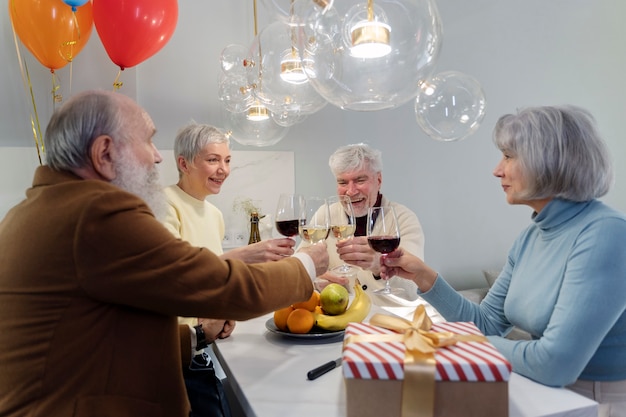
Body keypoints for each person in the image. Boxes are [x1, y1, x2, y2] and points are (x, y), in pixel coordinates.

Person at [0, 90, 328, 417]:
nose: (158, 157)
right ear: (104, 153)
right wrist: (306, 264)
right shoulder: (96, 211)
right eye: (148, 141)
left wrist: (195, 337)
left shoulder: (30, 211)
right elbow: (219, 286)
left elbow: (99, 339)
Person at [380, 105, 626, 416]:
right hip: (541, 391)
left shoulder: (607, 234)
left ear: (546, 160)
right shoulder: (530, 237)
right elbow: (486, 324)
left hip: (596, 404)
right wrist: (424, 277)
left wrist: (456, 340)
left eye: (509, 156)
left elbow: (555, 364)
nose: (497, 170)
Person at [162, 122, 296, 417]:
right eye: (213, 159)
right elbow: (173, 276)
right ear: (184, 163)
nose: (223, 169)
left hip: (203, 344)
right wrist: (243, 255)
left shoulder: (214, 214)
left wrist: (223, 311)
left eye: (227, 160)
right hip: (175, 352)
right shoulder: (163, 205)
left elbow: (211, 278)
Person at [308, 143, 425, 303]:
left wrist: (379, 267)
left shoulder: (403, 218)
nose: (351, 191)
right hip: (338, 316)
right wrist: (316, 277)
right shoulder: (325, 214)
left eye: (360, 180)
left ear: (379, 180)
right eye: (343, 182)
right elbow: (301, 268)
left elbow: (413, 289)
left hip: (390, 318)